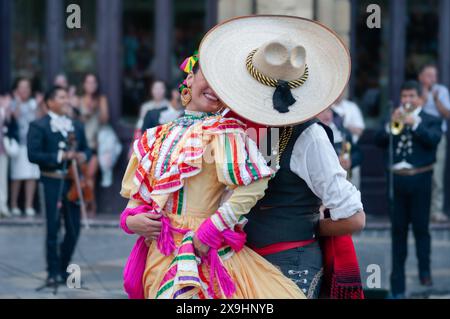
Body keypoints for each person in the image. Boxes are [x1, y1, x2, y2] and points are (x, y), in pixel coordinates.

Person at [199, 15, 366, 299]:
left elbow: (354, 218)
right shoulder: (235, 129)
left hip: (291, 267)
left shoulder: (310, 137)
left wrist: (309, 225)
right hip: (240, 264)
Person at [119, 52, 306, 299]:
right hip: (158, 255)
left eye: (223, 85)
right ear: (190, 78)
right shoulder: (155, 136)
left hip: (202, 252)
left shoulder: (225, 133)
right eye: (208, 78)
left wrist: (212, 228)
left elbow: (254, 185)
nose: (214, 89)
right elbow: (138, 199)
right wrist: (130, 220)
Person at [375, 80, 442, 299]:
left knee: (421, 228)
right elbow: (378, 140)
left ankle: (425, 272)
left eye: (411, 96)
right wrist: (390, 125)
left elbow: (434, 140)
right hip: (397, 181)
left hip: (421, 179)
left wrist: (414, 124)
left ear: (420, 98)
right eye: (404, 96)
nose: (407, 100)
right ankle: (398, 285)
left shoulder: (431, 120)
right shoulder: (392, 117)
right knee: (398, 232)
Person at [27, 86, 91, 286]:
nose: (66, 101)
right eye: (61, 98)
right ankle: (52, 272)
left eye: (67, 97)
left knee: (74, 229)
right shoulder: (39, 125)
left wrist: (82, 156)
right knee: (53, 228)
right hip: (51, 181)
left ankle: (64, 268)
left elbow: (87, 148)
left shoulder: (76, 125)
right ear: (49, 102)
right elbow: (33, 155)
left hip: (73, 182)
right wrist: (60, 156)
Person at [418, 64, 450, 223]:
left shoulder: (442, 91)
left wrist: (436, 99)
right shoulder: (415, 90)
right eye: (429, 75)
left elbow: (447, 114)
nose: (433, 79)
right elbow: (411, 110)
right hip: (419, 137)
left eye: (435, 75)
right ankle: (420, 211)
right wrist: (424, 97)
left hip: (437, 138)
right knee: (420, 174)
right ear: (421, 77)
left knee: (437, 175)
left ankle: (435, 211)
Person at [79, 73, 109, 217]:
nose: (91, 85)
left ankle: (90, 204)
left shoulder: (100, 99)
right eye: (88, 82)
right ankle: (86, 204)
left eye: (93, 82)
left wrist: (98, 107)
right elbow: (75, 121)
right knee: (82, 177)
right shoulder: (78, 100)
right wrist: (86, 112)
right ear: (84, 85)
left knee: (91, 175)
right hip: (80, 144)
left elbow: (104, 119)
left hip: (94, 144)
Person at [9, 78, 40, 217]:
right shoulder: (12, 103)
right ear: (16, 89)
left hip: (32, 144)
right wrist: (17, 101)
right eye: (21, 87)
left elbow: (40, 118)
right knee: (17, 176)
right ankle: (14, 204)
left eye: (26, 87)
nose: (24, 90)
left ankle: (29, 205)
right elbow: (14, 117)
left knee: (31, 176)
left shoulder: (35, 103)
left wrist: (39, 105)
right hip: (18, 144)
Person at [331, 92, 366, 187]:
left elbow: (360, 130)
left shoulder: (352, 107)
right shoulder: (326, 108)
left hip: (348, 150)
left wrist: (343, 125)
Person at [316, 108, 362, 174]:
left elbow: (357, 153)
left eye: (328, 111)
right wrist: (336, 161)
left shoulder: (343, 132)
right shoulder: (312, 135)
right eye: (322, 111)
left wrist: (350, 161)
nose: (326, 115)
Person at [0, 94, 12, 217]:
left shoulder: (5, 107)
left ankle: (3, 206)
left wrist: (5, 109)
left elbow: (9, 123)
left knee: (2, 180)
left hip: (2, 149)